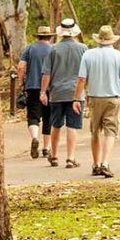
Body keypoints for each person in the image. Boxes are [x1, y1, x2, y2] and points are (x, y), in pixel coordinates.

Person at [73, 26, 120, 178]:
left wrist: (76, 98)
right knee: (110, 131)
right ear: (112, 40)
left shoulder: (88, 55)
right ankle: (105, 163)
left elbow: (81, 79)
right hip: (113, 98)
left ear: (98, 39)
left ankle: (96, 164)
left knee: (95, 131)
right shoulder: (118, 56)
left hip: (94, 98)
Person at [40, 18, 88, 168]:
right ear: (74, 32)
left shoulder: (53, 49)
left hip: (57, 93)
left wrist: (43, 92)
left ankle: (54, 156)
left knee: (56, 124)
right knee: (72, 126)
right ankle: (70, 158)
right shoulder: (83, 49)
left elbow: (46, 73)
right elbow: (86, 73)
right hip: (76, 93)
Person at [17, 26, 54, 159]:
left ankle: (34, 138)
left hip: (32, 86)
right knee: (48, 117)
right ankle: (46, 148)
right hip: (50, 87)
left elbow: (21, 66)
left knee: (33, 115)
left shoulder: (30, 48)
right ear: (50, 37)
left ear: (37, 36)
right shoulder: (53, 49)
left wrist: (21, 83)